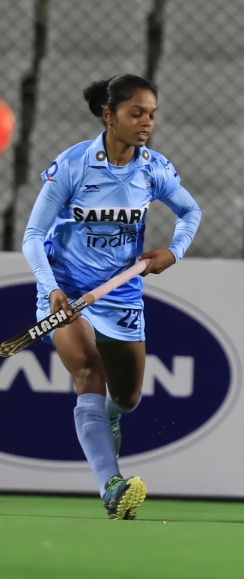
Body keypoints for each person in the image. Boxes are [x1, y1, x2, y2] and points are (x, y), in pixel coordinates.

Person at [21, 74, 201, 520]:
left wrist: (173, 251)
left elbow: (189, 211)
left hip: (121, 294)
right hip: (67, 291)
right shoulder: (73, 165)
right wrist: (51, 288)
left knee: (127, 397)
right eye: (136, 113)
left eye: (151, 114)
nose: (146, 123)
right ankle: (111, 486)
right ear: (109, 116)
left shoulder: (153, 169)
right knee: (88, 370)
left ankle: (110, 417)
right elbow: (33, 235)